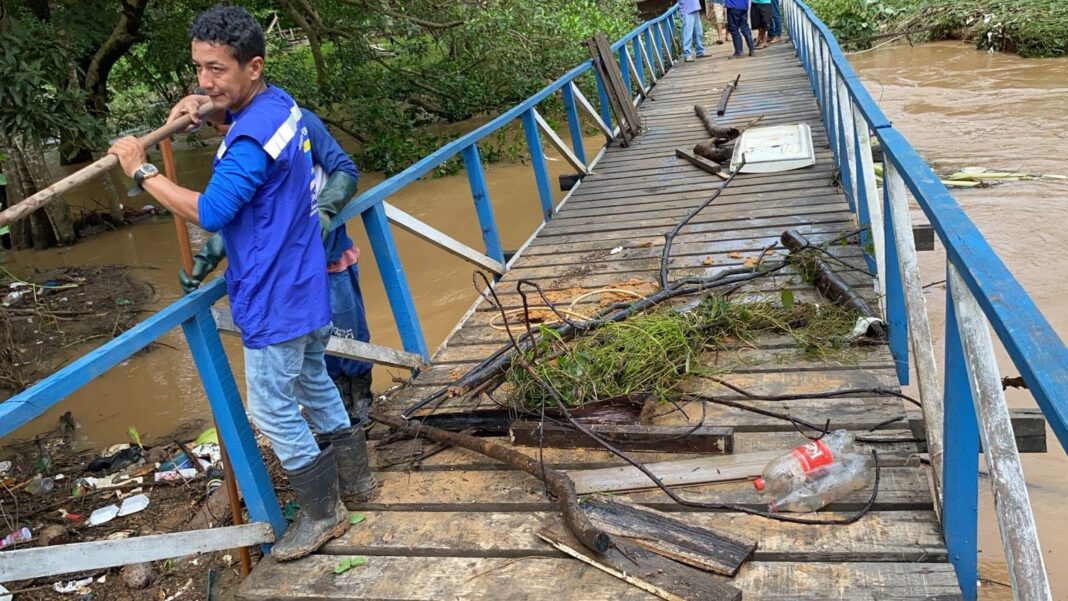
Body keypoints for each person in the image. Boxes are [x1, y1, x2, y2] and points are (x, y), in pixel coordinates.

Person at [107, 5, 373, 561]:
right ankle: (357, 482)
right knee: (315, 383)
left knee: (273, 409)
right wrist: (208, 112)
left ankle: (324, 515)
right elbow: (250, 139)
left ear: (253, 66)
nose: (204, 82)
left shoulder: (251, 140)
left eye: (217, 71)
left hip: (274, 293)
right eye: (199, 69)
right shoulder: (282, 108)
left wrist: (140, 168)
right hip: (304, 282)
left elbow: (210, 210)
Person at [182, 109, 376, 428]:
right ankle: (342, 423)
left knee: (350, 337)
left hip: (328, 260)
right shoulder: (239, 150)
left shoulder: (295, 121)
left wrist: (325, 212)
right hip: (286, 275)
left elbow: (345, 170)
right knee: (315, 356)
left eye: (223, 123)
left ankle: (363, 409)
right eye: (215, 126)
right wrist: (208, 256)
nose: (221, 131)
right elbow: (244, 215)